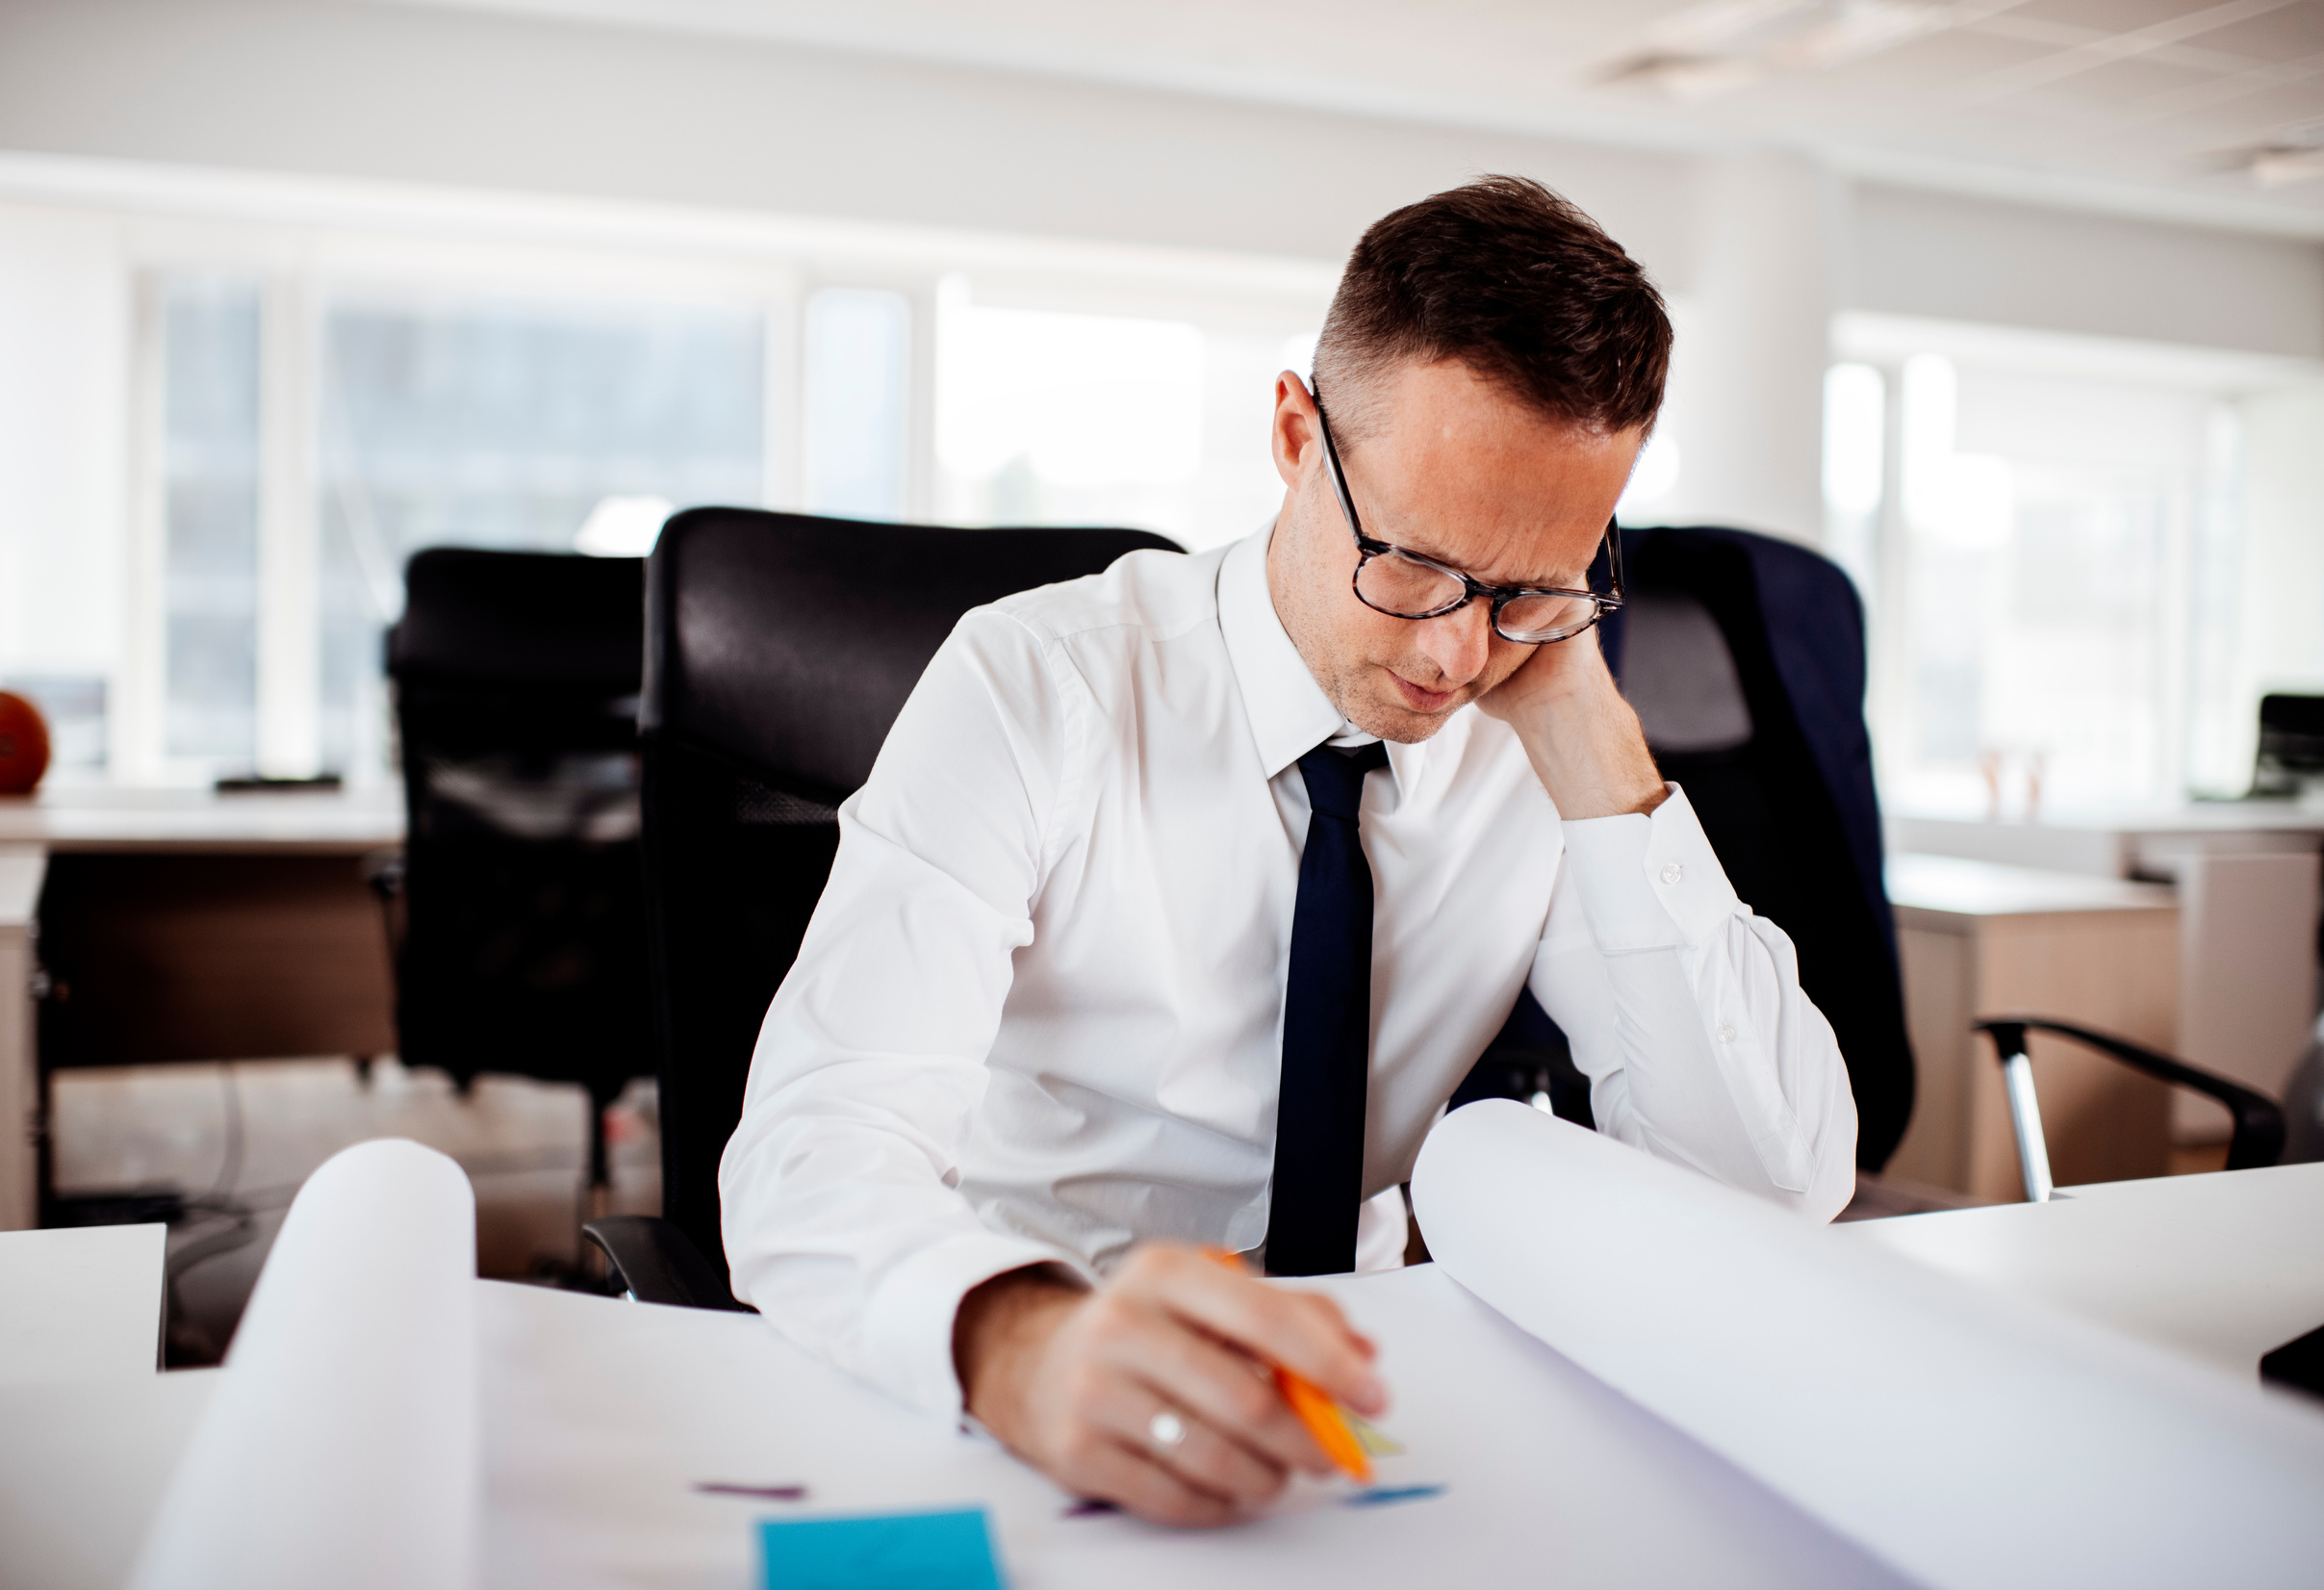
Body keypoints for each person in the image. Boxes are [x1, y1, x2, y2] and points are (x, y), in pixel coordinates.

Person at [722, 175, 1858, 1526]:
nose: (1453, 654)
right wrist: (1013, 1343)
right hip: (1040, 1357)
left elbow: (1771, 1189)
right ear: (1290, 435)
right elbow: (810, 1147)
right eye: (1419, 564)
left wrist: (1583, 722)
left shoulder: (1529, 722)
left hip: (1371, 1396)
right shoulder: (1037, 685)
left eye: (1526, 585)